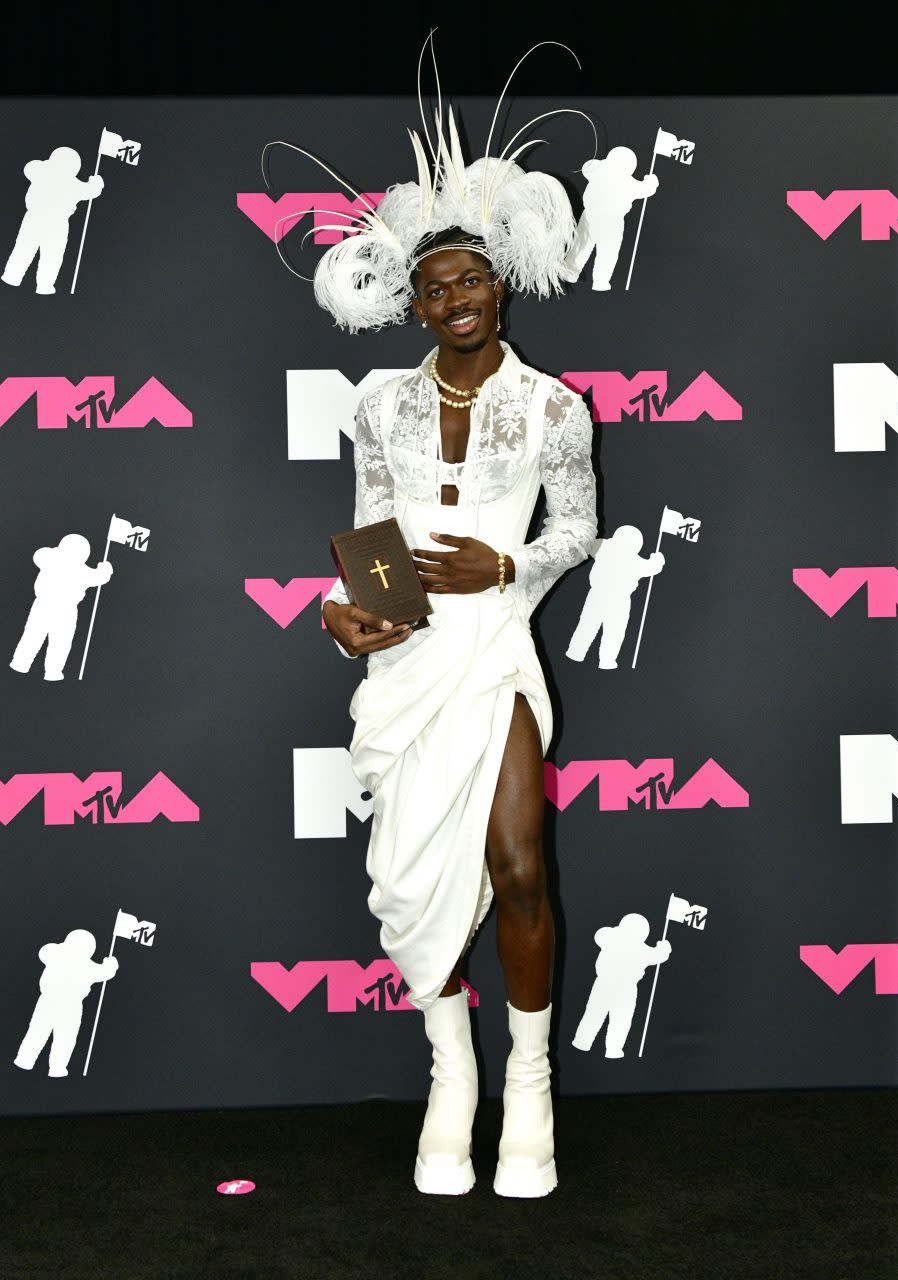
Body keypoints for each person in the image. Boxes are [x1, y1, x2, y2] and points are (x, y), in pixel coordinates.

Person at [270, 32, 598, 1199]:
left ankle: (530, 1084)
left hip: (496, 654)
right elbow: (369, 534)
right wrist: (351, 614)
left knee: (518, 863)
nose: (454, 297)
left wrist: (501, 572)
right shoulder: (380, 406)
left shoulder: (554, 407)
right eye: (433, 285)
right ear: (411, 303)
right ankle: (449, 1074)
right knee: (412, 887)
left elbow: (575, 532)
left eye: (470, 278)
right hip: (408, 664)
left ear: (500, 282)